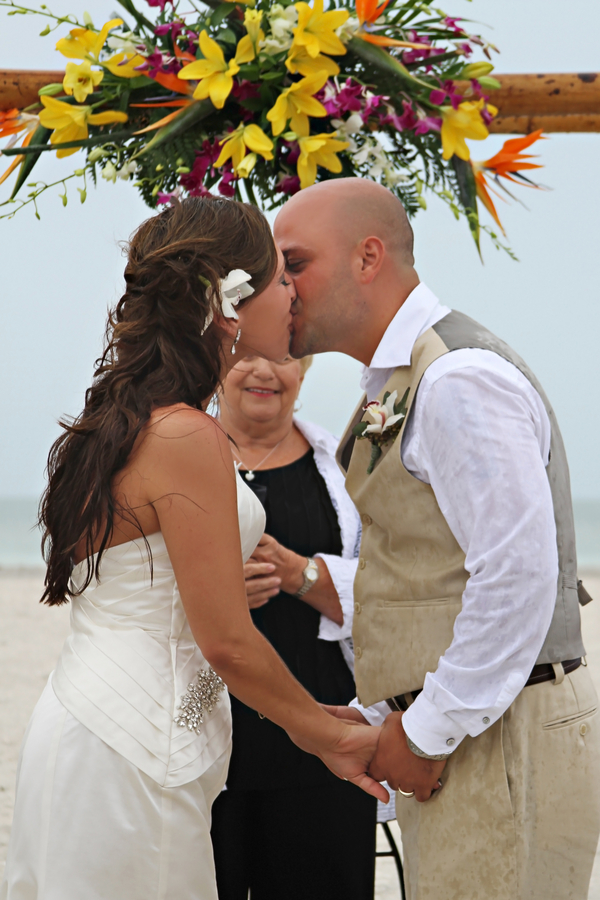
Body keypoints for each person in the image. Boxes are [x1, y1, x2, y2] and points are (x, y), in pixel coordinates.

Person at [0, 197, 387, 900]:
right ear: (227, 301)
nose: (293, 293)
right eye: (280, 279)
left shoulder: (133, 422)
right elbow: (227, 645)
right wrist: (327, 737)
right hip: (137, 747)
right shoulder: (186, 436)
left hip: (105, 722)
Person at [274, 177, 600, 900]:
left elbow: (518, 577)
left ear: (367, 257)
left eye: (294, 263)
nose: (279, 286)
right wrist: (390, 714)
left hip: (502, 739)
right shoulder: (402, 377)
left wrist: (424, 733)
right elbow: (432, 576)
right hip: (471, 730)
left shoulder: (456, 380)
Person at [211, 354, 377, 900]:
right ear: (215, 364)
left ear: (303, 370)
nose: (263, 372)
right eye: (244, 357)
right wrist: (215, 591)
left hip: (321, 739)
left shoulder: (346, 467)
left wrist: (301, 573)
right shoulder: (186, 459)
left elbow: (391, 586)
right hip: (207, 744)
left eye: (281, 358)